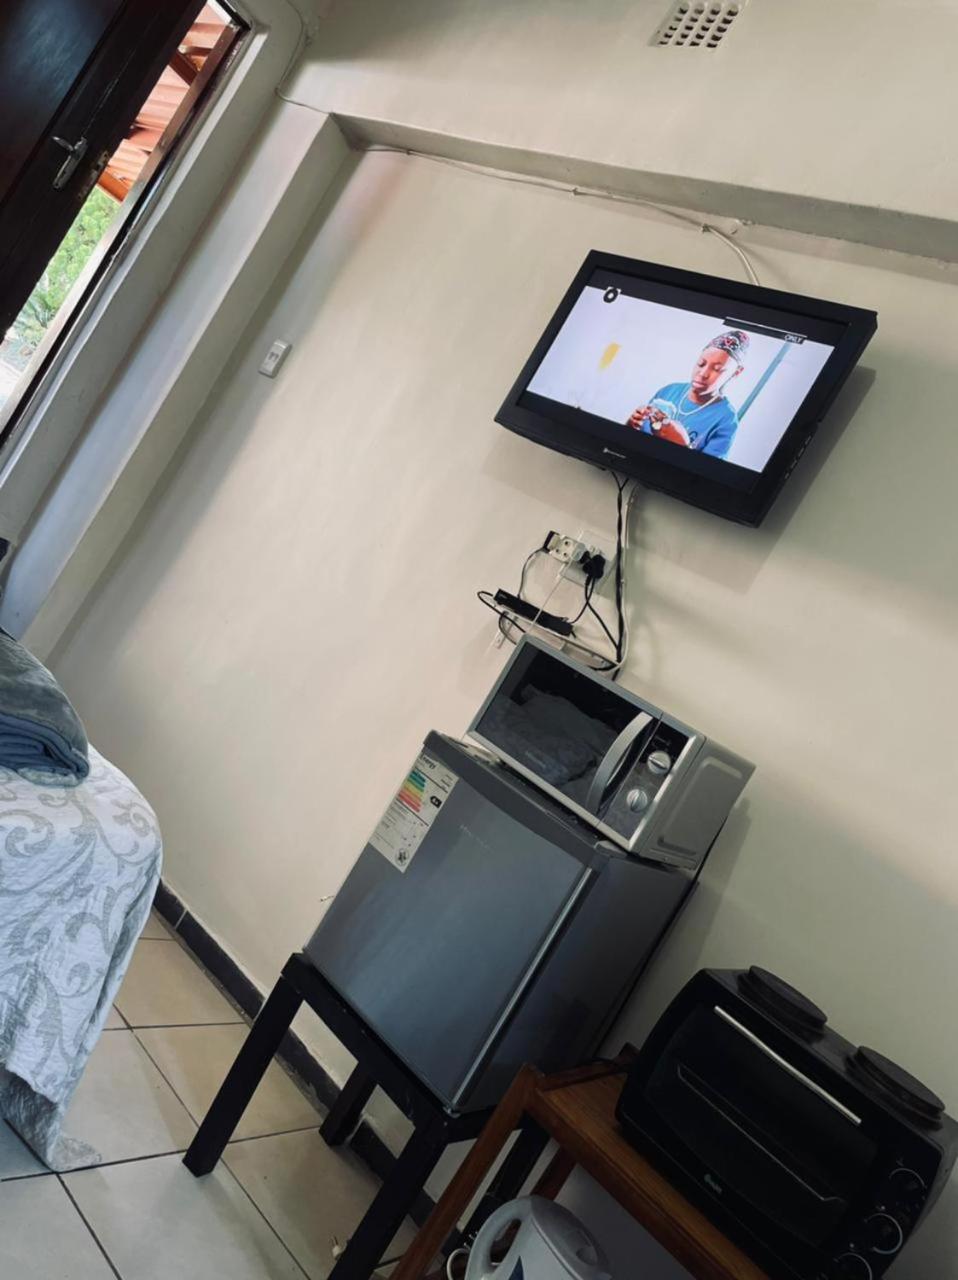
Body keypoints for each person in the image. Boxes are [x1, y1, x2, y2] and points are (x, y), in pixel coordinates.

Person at [627, 329, 749, 459]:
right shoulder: (669, 391)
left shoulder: (726, 420)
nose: (703, 373)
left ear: (736, 372)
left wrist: (683, 446)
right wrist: (630, 424)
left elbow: (706, 470)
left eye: (717, 369)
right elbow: (632, 441)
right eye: (701, 364)